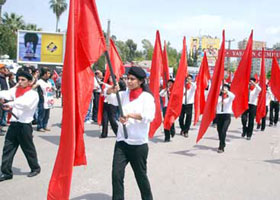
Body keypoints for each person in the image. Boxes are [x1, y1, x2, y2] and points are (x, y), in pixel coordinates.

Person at [106, 66, 155, 200]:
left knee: (141, 177)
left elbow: (149, 116)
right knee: (116, 175)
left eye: (132, 79)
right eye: (127, 78)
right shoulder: (123, 94)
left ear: (140, 81)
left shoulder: (147, 98)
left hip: (138, 145)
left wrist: (130, 115)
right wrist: (110, 90)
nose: (129, 81)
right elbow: (109, 98)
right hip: (122, 143)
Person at [0, 68, 41, 182]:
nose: (20, 82)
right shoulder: (15, 91)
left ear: (29, 82)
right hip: (14, 124)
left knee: (28, 149)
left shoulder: (33, 94)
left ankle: (35, 168)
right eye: (18, 79)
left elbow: (25, 104)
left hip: (25, 126)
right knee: (8, 148)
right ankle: (6, 172)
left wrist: (10, 104)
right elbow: (5, 93)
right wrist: (2, 98)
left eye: (23, 80)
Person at [33, 68, 54, 132]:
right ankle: (40, 127)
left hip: (48, 100)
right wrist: (34, 78)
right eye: (48, 73)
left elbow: (51, 89)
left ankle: (45, 126)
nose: (49, 74)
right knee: (41, 114)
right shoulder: (40, 81)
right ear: (44, 74)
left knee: (47, 115)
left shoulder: (48, 81)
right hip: (42, 100)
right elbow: (33, 87)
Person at [216, 84, 235, 153]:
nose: (224, 90)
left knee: (224, 131)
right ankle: (223, 142)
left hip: (226, 116)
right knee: (219, 131)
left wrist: (227, 92)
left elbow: (233, 96)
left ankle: (221, 147)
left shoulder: (229, 97)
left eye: (226, 88)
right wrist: (221, 98)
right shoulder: (219, 97)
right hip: (219, 115)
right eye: (223, 88)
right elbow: (216, 102)